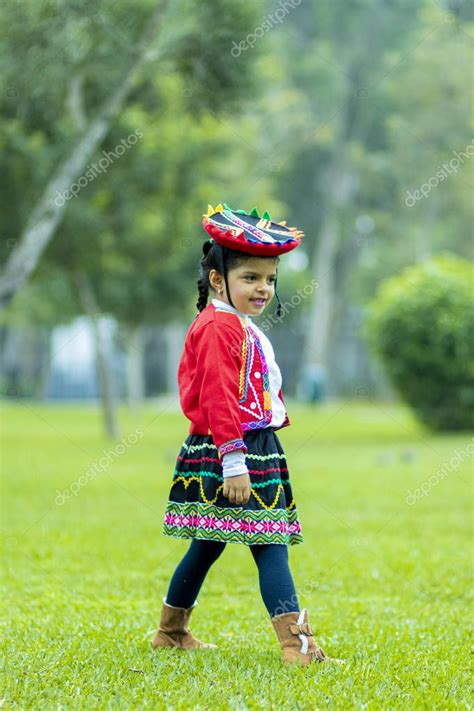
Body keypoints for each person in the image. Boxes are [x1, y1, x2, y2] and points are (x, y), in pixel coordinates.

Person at [151, 203, 342, 666]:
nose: (263, 288)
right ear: (219, 280)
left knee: (208, 543)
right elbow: (217, 396)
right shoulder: (219, 327)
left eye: (270, 280)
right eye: (251, 278)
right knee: (270, 544)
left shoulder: (234, 323)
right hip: (233, 450)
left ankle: (170, 632)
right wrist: (234, 462)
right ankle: (298, 649)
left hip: (244, 446)